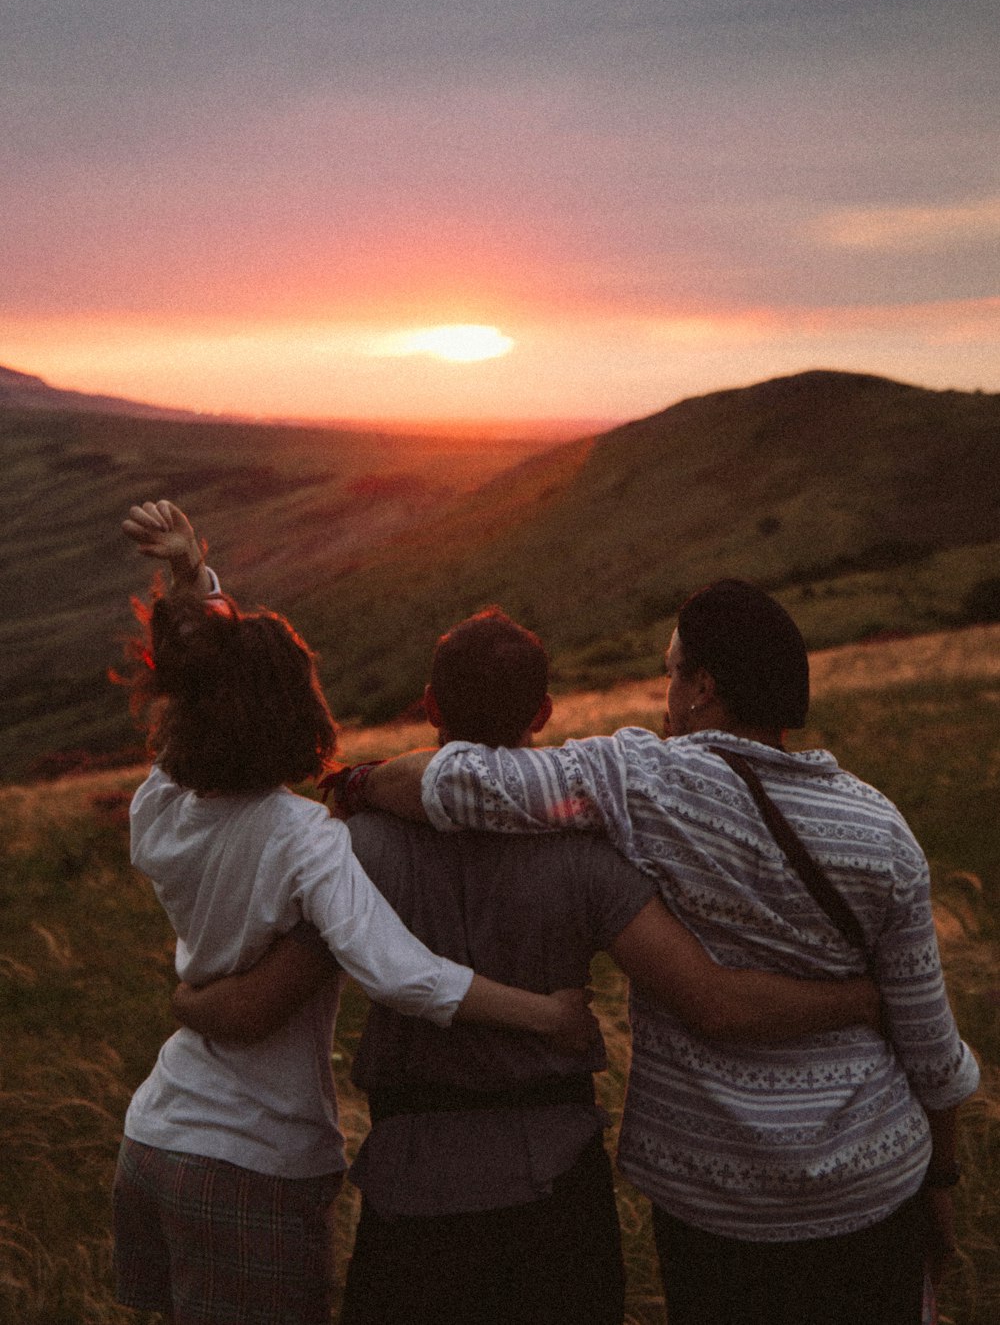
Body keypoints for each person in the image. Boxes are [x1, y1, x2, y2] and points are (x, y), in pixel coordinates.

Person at [175, 600, 881, 1325]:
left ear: (428, 705)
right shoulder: (588, 855)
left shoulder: (359, 850)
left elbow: (259, 1006)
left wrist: (184, 1002)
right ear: (542, 714)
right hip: (557, 1201)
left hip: (411, 1194)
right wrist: (858, 999)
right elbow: (713, 1001)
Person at [349, 579, 979, 1325]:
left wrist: (355, 779)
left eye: (671, 670)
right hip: (873, 1178)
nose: (664, 689)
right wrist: (938, 1180)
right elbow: (933, 1051)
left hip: (715, 1192)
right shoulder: (882, 828)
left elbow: (455, 780)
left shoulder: (642, 780)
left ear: (703, 688)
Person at [112, 502, 598, 1325]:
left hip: (153, 1140)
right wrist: (547, 1015)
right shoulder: (304, 838)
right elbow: (399, 972)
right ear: (299, 708)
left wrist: (194, 580)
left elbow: (195, 680)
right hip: (253, 1156)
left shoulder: (157, 804)